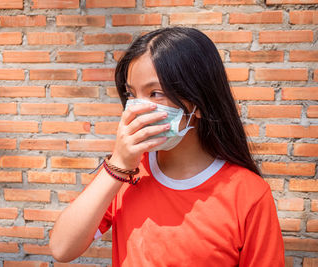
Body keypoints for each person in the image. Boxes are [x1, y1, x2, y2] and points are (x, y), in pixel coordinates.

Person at [50, 27, 285, 266]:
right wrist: (118, 165)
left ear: (199, 102)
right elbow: (62, 248)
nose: (139, 108)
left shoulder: (249, 194)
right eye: (131, 94)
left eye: (155, 93)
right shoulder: (124, 172)